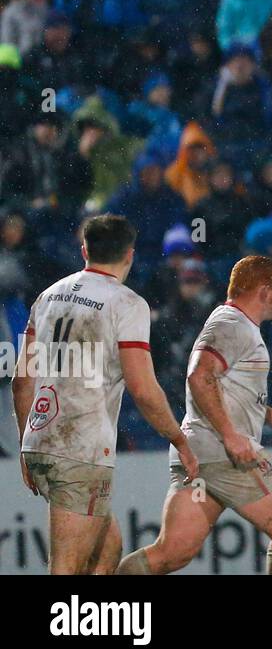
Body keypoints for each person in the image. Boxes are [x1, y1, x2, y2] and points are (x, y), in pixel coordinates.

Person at [12, 215, 198, 574]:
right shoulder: (126, 304)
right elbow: (143, 389)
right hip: (80, 448)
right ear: (129, 255)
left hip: (40, 437)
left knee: (108, 547)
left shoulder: (47, 297)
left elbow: (22, 381)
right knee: (67, 566)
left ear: (84, 250)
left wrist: (26, 443)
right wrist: (179, 439)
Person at [117, 256, 272, 575]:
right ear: (265, 290)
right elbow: (199, 376)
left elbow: (224, 386)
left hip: (200, 453)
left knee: (170, 554)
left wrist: (270, 416)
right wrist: (232, 436)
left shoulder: (232, 323)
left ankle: (107, 614)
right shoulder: (232, 324)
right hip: (224, 453)